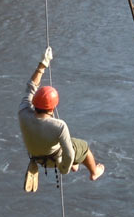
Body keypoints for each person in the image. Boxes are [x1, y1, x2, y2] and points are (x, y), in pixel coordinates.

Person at [19, 46, 104, 192]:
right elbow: (69, 154)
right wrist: (64, 168)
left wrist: (43, 64)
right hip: (55, 160)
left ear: (35, 103)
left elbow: (31, 87)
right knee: (83, 147)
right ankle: (94, 172)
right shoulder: (59, 126)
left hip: (36, 158)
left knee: (67, 144)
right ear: (52, 108)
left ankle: (74, 165)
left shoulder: (23, 113)